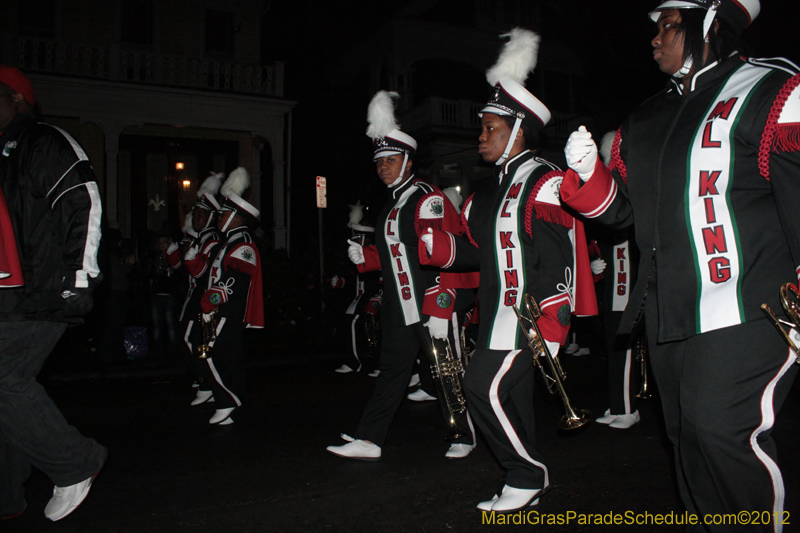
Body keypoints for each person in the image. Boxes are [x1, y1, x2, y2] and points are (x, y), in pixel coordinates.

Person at [560, 1, 799, 529]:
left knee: (721, 430)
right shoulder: (645, 116)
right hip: (671, 313)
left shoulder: (771, 88)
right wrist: (588, 176)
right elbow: (623, 212)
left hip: (752, 305)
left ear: (710, 23)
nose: (655, 38)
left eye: (669, 25)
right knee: (686, 442)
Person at [418, 29, 596, 512]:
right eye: (482, 128)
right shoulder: (485, 192)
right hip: (496, 317)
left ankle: (527, 475)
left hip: (530, 317)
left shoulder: (545, 180)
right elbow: (478, 255)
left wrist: (553, 318)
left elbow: (561, 257)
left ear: (519, 131)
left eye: (490, 129)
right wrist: (443, 251)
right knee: (512, 402)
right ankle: (526, 479)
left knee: (479, 388)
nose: (481, 136)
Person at [326, 90, 476, 460]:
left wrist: (443, 307)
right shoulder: (394, 201)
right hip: (400, 308)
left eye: (391, 161)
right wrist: (368, 256)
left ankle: (465, 434)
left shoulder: (427, 198)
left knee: (447, 371)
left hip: (430, 307)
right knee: (393, 374)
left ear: (408, 162)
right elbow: (402, 252)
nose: (384, 168)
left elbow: (447, 254)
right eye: (379, 163)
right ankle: (370, 439)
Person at [0, 65, 106, 521]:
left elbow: (84, 199)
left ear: (17, 98)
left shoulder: (44, 141)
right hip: (7, 294)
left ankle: (75, 462)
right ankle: (6, 495)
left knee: (4, 379)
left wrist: (77, 278)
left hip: (42, 291)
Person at [185, 167, 264, 425]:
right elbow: (209, 273)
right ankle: (231, 399)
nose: (218, 218)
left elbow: (233, 281)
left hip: (226, 311)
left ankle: (227, 400)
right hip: (219, 311)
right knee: (226, 357)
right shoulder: (226, 242)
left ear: (237, 218)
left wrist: (212, 301)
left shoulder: (243, 243)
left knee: (208, 351)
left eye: (223, 214)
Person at [166, 172, 222, 405]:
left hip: (205, 301)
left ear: (211, 216)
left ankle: (208, 380)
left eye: (202, 214)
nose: (196, 217)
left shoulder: (213, 240)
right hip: (194, 300)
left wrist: (188, 262)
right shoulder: (200, 239)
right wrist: (174, 258)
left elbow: (206, 275)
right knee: (195, 343)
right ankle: (205, 381)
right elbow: (186, 275)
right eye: (195, 213)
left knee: (193, 342)